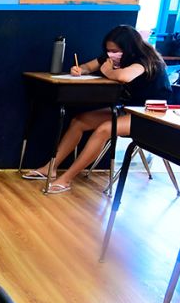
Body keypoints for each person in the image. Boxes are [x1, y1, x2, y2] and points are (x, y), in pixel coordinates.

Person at [23, 25, 171, 194]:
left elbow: (124, 76)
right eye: (108, 50)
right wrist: (79, 70)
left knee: (104, 130)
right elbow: (88, 66)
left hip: (152, 115)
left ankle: (67, 178)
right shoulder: (112, 58)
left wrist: (107, 71)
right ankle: (50, 168)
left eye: (115, 50)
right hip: (129, 111)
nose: (110, 54)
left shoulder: (145, 61)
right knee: (79, 121)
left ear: (128, 48)